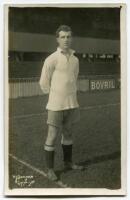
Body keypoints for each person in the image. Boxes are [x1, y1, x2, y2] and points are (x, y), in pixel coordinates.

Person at [39, 25, 83, 181]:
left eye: (69, 36)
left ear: (72, 38)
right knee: (52, 135)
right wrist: (54, 97)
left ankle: (68, 162)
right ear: (57, 39)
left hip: (72, 104)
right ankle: (50, 169)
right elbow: (44, 82)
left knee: (68, 133)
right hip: (56, 106)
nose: (66, 40)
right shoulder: (52, 59)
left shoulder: (76, 59)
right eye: (63, 37)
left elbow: (73, 79)